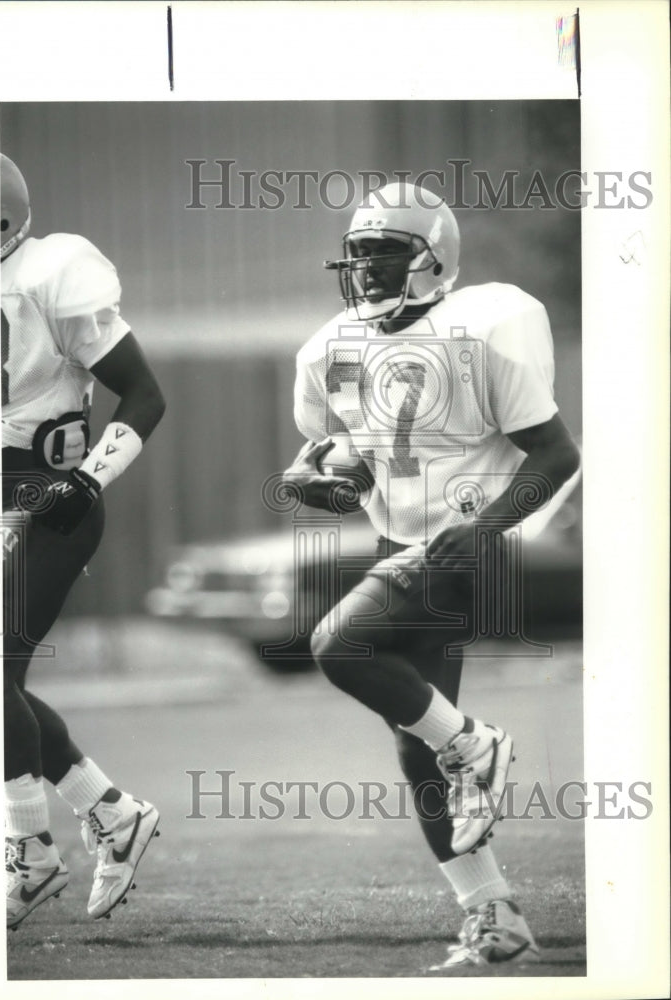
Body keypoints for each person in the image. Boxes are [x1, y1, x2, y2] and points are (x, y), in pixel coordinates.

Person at [284, 181, 580, 969]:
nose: (368, 267)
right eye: (359, 253)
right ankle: (495, 914)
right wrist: (317, 483)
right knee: (419, 745)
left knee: (338, 647)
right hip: (405, 543)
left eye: (386, 250)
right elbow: (343, 459)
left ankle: (479, 745)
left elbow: (558, 455)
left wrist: (482, 527)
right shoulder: (330, 348)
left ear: (434, 256)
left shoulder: (479, 331)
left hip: (471, 542)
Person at [0, 153, 166, 930]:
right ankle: (109, 809)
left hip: (48, 500)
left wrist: (92, 478)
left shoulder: (44, 273)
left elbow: (145, 393)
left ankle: (31, 853)